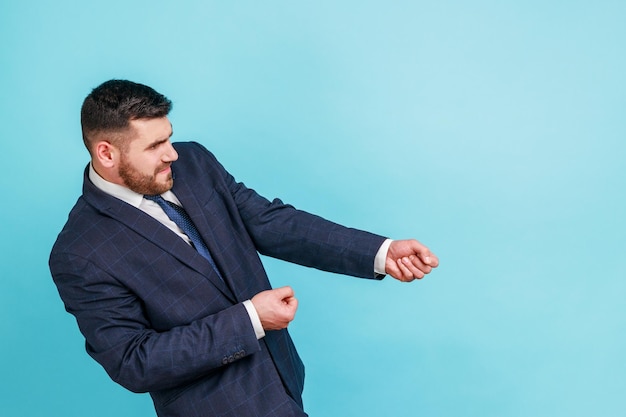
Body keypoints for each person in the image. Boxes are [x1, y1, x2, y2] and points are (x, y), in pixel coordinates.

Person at [49, 79, 439, 417]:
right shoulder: (79, 253)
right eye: (154, 146)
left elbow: (270, 221)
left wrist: (379, 252)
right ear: (106, 152)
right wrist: (250, 319)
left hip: (282, 380)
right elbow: (134, 361)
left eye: (168, 137)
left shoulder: (195, 163)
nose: (172, 153)